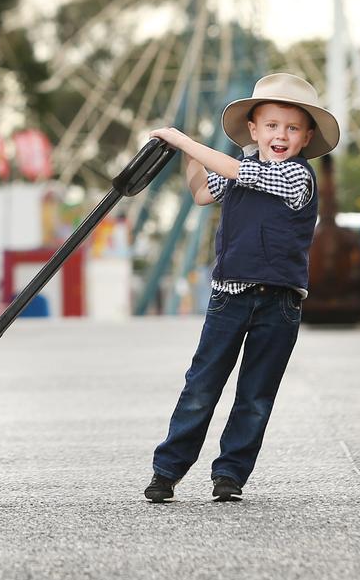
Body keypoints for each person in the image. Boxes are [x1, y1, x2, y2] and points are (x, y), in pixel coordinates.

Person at [143, 72, 340, 503]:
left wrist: (183, 139)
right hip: (229, 296)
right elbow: (200, 192)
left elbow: (237, 169)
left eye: (292, 128)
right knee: (201, 385)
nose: (281, 135)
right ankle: (167, 471)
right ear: (254, 130)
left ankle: (230, 474)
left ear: (307, 137)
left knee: (255, 395)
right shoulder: (236, 174)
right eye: (271, 126)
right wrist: (186, 153)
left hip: (280, 303)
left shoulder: (296, 179)